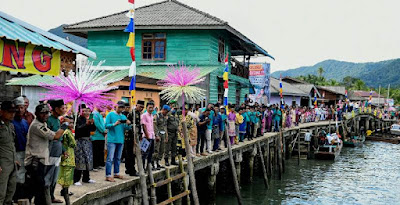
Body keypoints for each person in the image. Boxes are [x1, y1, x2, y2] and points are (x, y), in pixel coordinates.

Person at [25, 103, 66, 205]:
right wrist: (65, 126)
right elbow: (56, 136)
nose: (45, 115)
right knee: (37, 187)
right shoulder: (37, 125)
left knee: (39, 187)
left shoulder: (43, 124)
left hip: (41, 160)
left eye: (47, 113)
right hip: (35, 161)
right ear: (37, 114)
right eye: (42, 113)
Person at [46, 99, 67, 203]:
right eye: (61, 108)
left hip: (58, 149)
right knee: (49, 175)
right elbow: (53, 137)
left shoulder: (58, 120)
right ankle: (47, 197)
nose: (63, 110)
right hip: (51, 150)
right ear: (56, 109)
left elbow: (60, 138)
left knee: (55, 176)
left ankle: (52, 195)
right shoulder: (49, 120)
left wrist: (63, 150)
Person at [105, 101, 132, 182]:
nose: (121, 109)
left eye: (122, 107)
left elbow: (127, 128)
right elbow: (106, 125)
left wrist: (128, 124)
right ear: (115, 107)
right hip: (112, 139)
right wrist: (114, 124)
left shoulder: (123, 116)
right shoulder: (110, 114)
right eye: (119, 107)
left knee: (118, 158)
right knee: (110, 158)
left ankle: (116, 172)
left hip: (120, 140)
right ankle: (108, 175)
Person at [11, 97, 29, 202]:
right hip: (15, 151)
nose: (20, 110)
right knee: (16, 175)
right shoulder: (11, 123)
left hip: (24, 151)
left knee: (22, 174)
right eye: (18, 108)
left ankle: (21, 196)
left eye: (22, 107)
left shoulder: (25, 122)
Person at [74, 105, 96, 185]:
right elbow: (77, 130)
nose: (86, 112)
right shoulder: (77, 119)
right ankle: (76, 179)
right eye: (83, 111)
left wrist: (92, 123)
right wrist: (86, 124)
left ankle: (86, 178)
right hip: (79, 141)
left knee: (88, 159)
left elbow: (93, 130)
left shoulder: (88, 119)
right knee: (80, 160)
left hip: (88, 141)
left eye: (87, 111)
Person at [0, 101, 17, 205]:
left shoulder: (10, 126)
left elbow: (11, 143)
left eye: (13, 112)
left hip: (11, 162)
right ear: (2, 111)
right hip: (2, 164)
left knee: (10, 191)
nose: (12, 114)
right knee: (1, 193)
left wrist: (15, 159)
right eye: (9, 112)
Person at [57, 120, 75, 205]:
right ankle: (65, 193)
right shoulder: (67, 132)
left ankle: (65, 191)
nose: (71, 124)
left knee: (66, 175)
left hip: (68, 155)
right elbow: (73, 143)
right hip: (67, 155)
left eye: (72, 122)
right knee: (66, 176)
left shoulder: (67, 132)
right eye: (69, 122)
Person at [125, 100, 144, 176]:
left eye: (142, 107)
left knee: (131, 154)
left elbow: (139, 125)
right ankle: (131, 170)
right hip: (130, 136)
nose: (141, 108)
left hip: (136, 136)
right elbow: (129, 125)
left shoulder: (139, 114)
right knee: (130, 154)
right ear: (136, 105)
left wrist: (140, 134)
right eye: (140, 107)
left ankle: (129, 169)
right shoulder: (131, 113)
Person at [153, 105, 170, 170]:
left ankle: (158, 162)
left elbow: (165, 127)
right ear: (164, 109)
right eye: (167, 111)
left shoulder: (165, 117)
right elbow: (154, 125)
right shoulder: (157, 115)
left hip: (163, 134)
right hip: (158, 135)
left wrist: (166, 136)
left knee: (162, 149)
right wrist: (156, 135)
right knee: (156, 149)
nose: (167, 113)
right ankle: (153, 163)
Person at [141, 101, 155, 170]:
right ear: (146, 107)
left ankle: (148, 167)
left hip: (152, 136)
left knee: (151, 152)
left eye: (152, 108)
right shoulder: (144, 115)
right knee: (144, 153)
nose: (151, 109)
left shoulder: (152, 116)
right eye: (149, 107)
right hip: (146, 137)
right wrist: (147, 135)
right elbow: (143, 126)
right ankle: (142, 168)